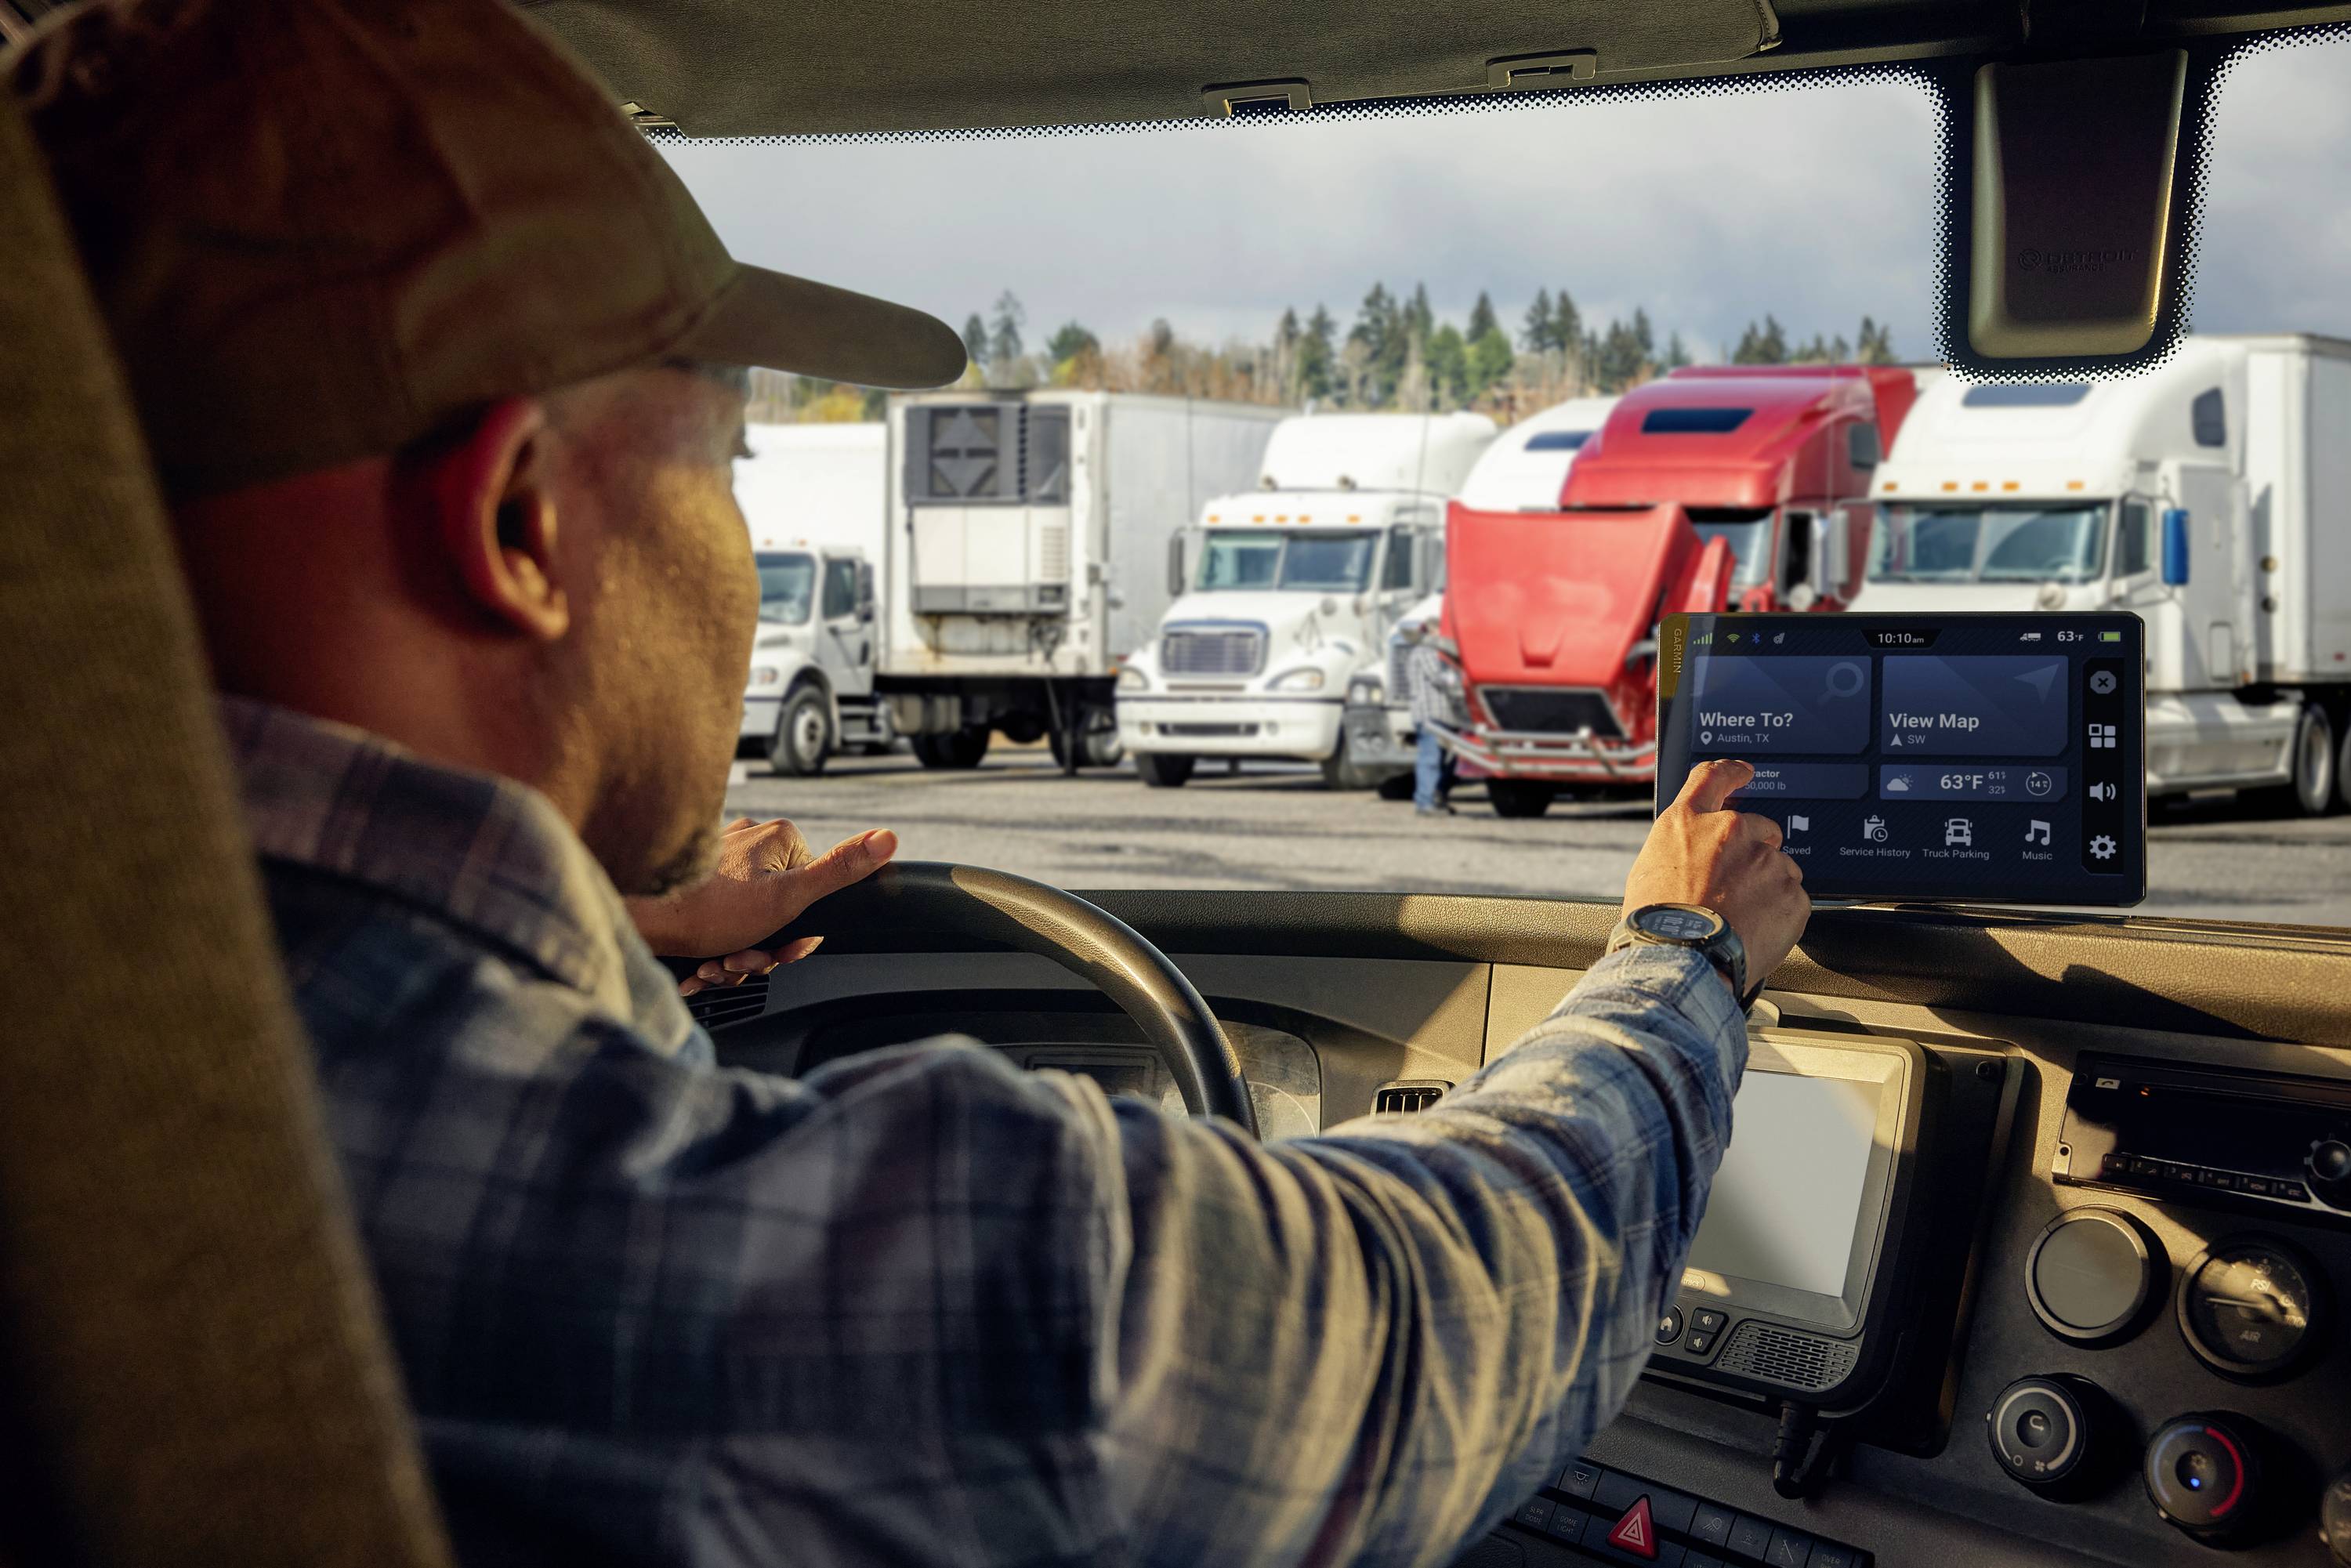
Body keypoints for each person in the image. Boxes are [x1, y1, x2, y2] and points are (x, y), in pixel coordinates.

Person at [13, 2, 1809, 1565]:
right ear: (513, 522)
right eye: (716, 457)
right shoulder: (642, 1229)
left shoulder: (126, 1033)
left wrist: (612, 935)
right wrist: (1673, 960)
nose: (733, 523)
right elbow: (1418, 1321)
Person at [1402, 612, 1466, 815]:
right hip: (1430, 714)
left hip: (1440, 715)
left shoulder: (1431, 652)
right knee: (1430, 758)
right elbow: (1440, 678)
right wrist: (1462, 680)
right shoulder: (1426, 651)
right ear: (1432, 630)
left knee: (1447, 758)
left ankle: (1435, 796)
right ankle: (1425, 803)